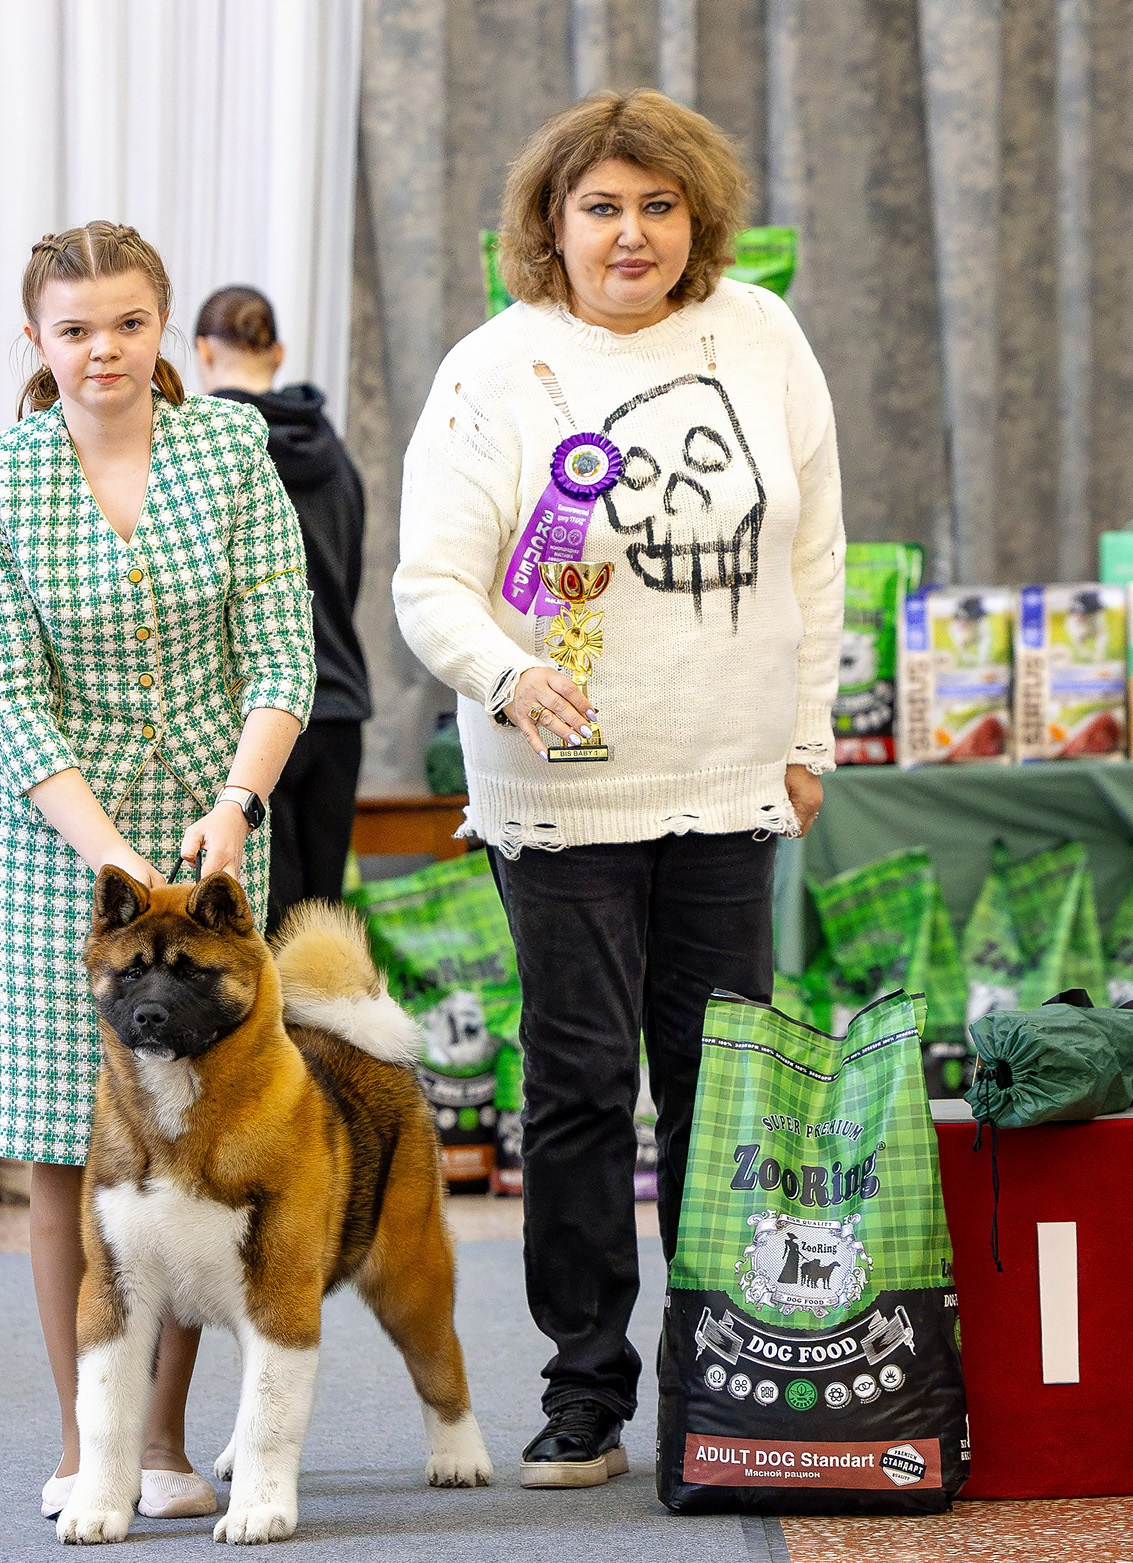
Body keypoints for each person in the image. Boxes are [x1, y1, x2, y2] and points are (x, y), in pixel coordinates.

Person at [392, 90, 845, 1489]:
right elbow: (429, 586)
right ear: (551, 224)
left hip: (730, 778)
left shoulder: (761, 337)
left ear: (697, 220)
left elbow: (816, 552)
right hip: (561, 790)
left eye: (658, 206)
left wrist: (809, 738)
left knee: (722, 1090)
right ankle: (584, 1386)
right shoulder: (493, 369)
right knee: (581, 1086)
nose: (632, 234)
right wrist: (507, 675)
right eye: (602, 208)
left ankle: (727, 1373)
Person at [0, 222, 315, 1520]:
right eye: (74, 329)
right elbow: (9, 702)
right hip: (59, 862)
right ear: (37, 344)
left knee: (199, 1154)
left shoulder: (232, 446)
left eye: (126, 323)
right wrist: (112, 861)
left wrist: (232, 807)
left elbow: (283, 657)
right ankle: (81, 1446)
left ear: (164, 331)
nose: (102, 349)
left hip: (213, 844)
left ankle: (162, 1441)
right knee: (69, 1151)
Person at [194, 285, 370, 935]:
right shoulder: (336, 454)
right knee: (319, 936)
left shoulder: (208, 454)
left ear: (202, 352)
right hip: (338, 708)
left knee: (252, 934)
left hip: (254, 719)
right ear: (280, 353)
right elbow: (347, 578)